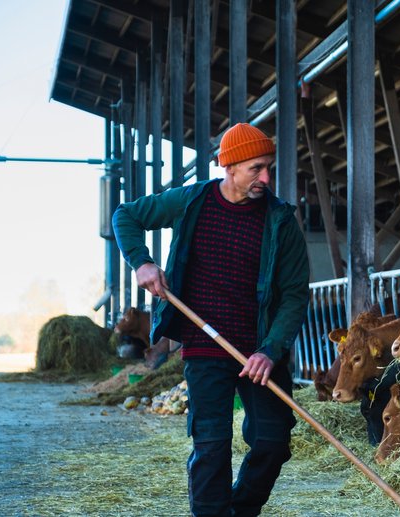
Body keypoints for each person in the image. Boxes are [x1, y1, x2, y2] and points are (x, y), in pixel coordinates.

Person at [113, 122, 310, 517]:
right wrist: (143, 262)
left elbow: (293, 295)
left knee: (273, 442)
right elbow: (126, 217)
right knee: (211, 446)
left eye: (269, 166)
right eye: (256, 168)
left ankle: (240, 509)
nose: (266, 177)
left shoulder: (280, 221)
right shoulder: (193, 201)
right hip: (205, 344)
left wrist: (270, 350)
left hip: (258, 350)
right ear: (230, 166)